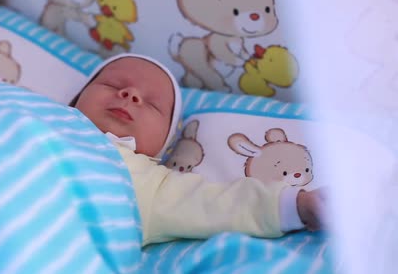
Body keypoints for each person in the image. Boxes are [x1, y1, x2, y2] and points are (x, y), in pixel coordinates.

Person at [70, 53, 325, 246]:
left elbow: (218, 204)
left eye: (153, 104)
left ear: (164, 146)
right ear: (75, 98)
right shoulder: (39, 111)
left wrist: (296, 205)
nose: (131, 94)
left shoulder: (151, 185)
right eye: (113, 85)